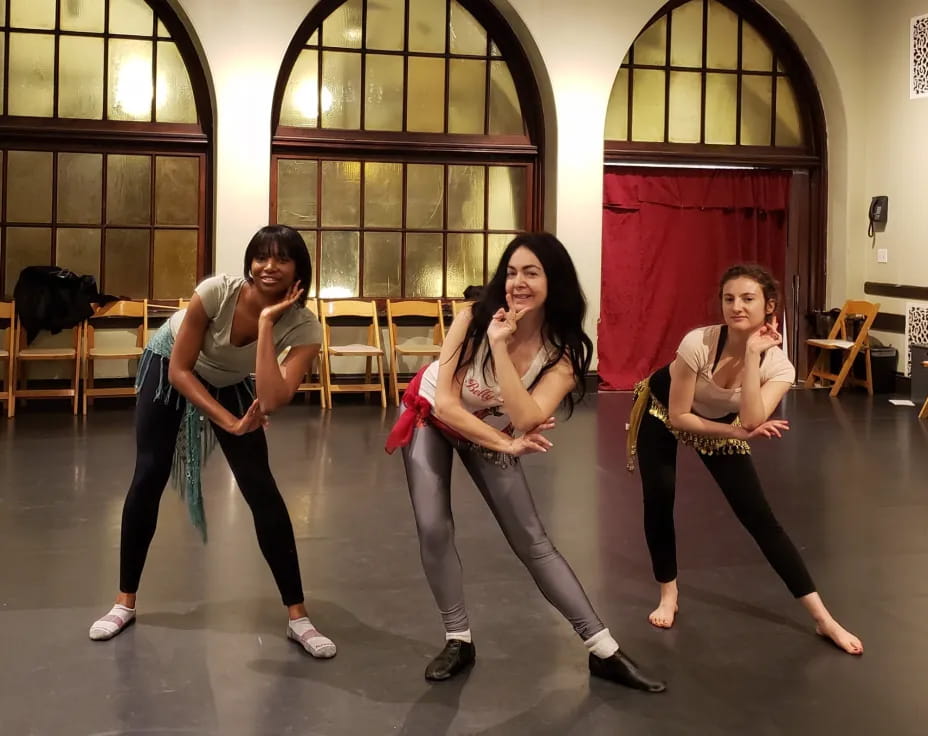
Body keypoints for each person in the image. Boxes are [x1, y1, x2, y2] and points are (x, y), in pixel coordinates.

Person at [386, 233, 666, 692]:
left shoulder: (562, 352)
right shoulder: (473, 318)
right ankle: (459, 639)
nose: (518, 282)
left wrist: (500, 348)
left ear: (553, 281)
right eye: (512, 272)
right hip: (430, 415)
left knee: (533, 540)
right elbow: (449, 407)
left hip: (492, 429)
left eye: (531, 273)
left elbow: (527, 416)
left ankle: (603, 650)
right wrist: (507, 443)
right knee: (434, 526)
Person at [89, 225, 336, 659]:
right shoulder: (216, 292)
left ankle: (299, 616)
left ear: (300, 269)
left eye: (281, 259)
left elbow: (275, 398)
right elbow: (181, 372)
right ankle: (123, 602)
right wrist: (229, 421)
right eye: (261, 257)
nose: (269, 266)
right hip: (169, 363)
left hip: (231, 377)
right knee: (149, 474)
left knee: (262, 489)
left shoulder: (304, 326)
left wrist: (264, 324)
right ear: (249, 262)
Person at [626, 264, 863, 655]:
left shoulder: (779, 367)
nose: (736, 306)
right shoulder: (697, 344)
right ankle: (668, 593)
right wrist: (736, 433)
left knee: (759, 517)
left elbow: (753, 419)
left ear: (770, 306)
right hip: (661, 411)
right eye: (729, 298)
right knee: (660, 496)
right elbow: (683, 415)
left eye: (748, 299)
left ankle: (823, 618)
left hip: (720, 422)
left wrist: (752, 356)